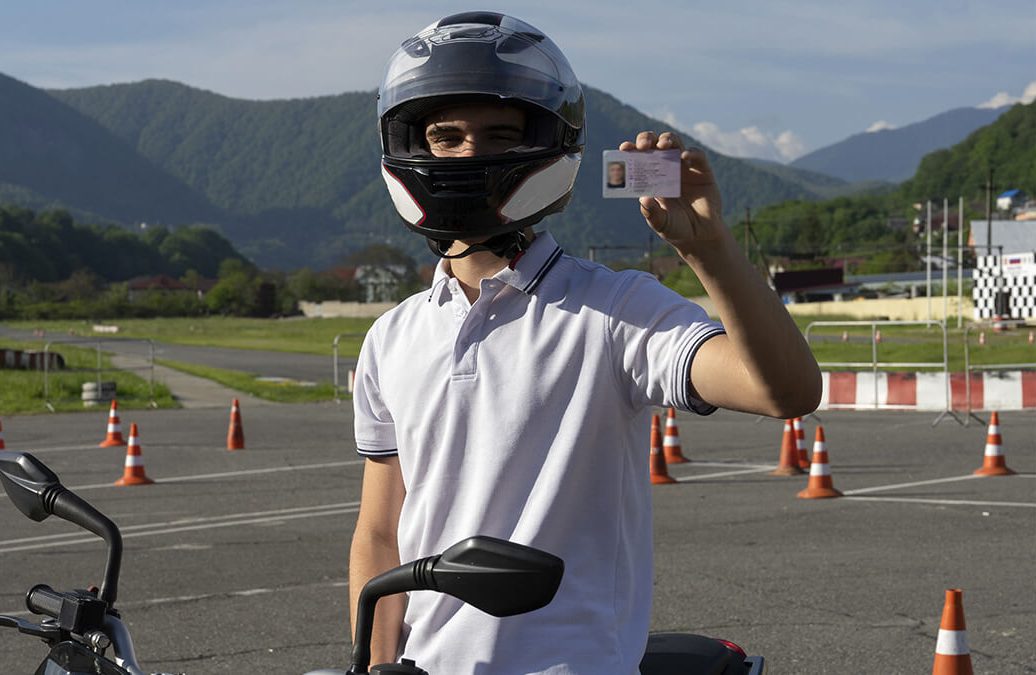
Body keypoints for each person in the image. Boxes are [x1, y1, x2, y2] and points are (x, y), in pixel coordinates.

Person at [349, 11, 821, 674]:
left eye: (498, 133)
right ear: (412, 146)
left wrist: (708, 250)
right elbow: (379, 530)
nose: (469, 154)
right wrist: (375, 664)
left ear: (543, 142)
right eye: (446, 136)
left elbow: (788, 390)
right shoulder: (390, 339)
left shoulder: (614, 308)